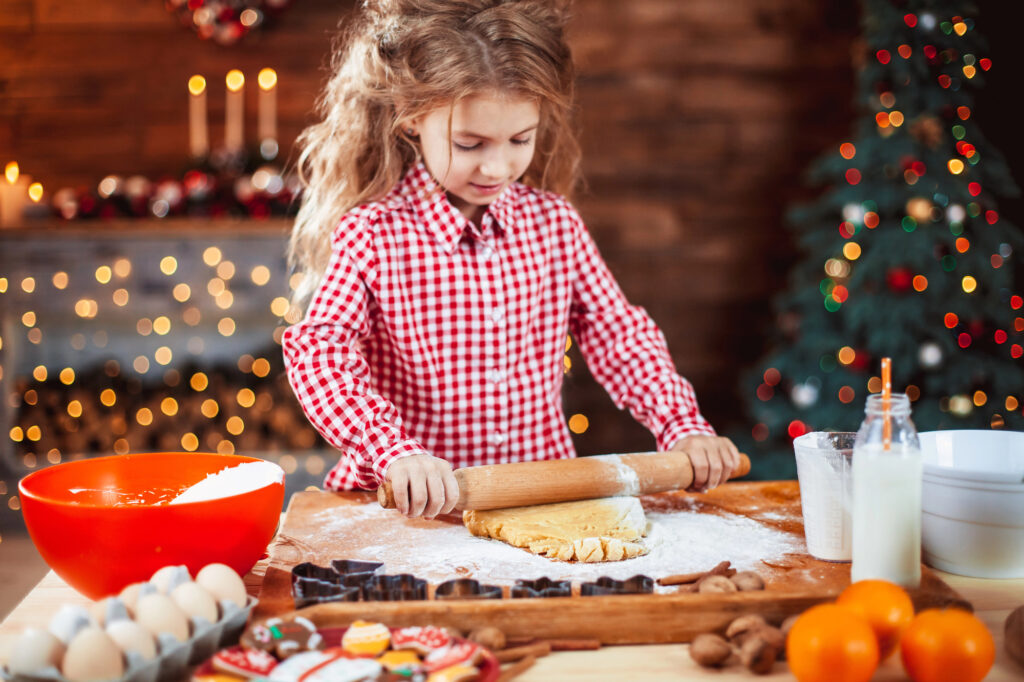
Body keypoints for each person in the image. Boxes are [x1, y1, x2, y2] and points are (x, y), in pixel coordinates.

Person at [283, 0, 741, 520]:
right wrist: (394, 451)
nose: (498, 166)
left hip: (540, 504)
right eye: (470, 143)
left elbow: (617, 332)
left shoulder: (554, 224)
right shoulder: (374, 234)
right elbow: (320, 352)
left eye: (521, 139)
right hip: (414, 516)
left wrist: (680, 424)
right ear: (412, 119)